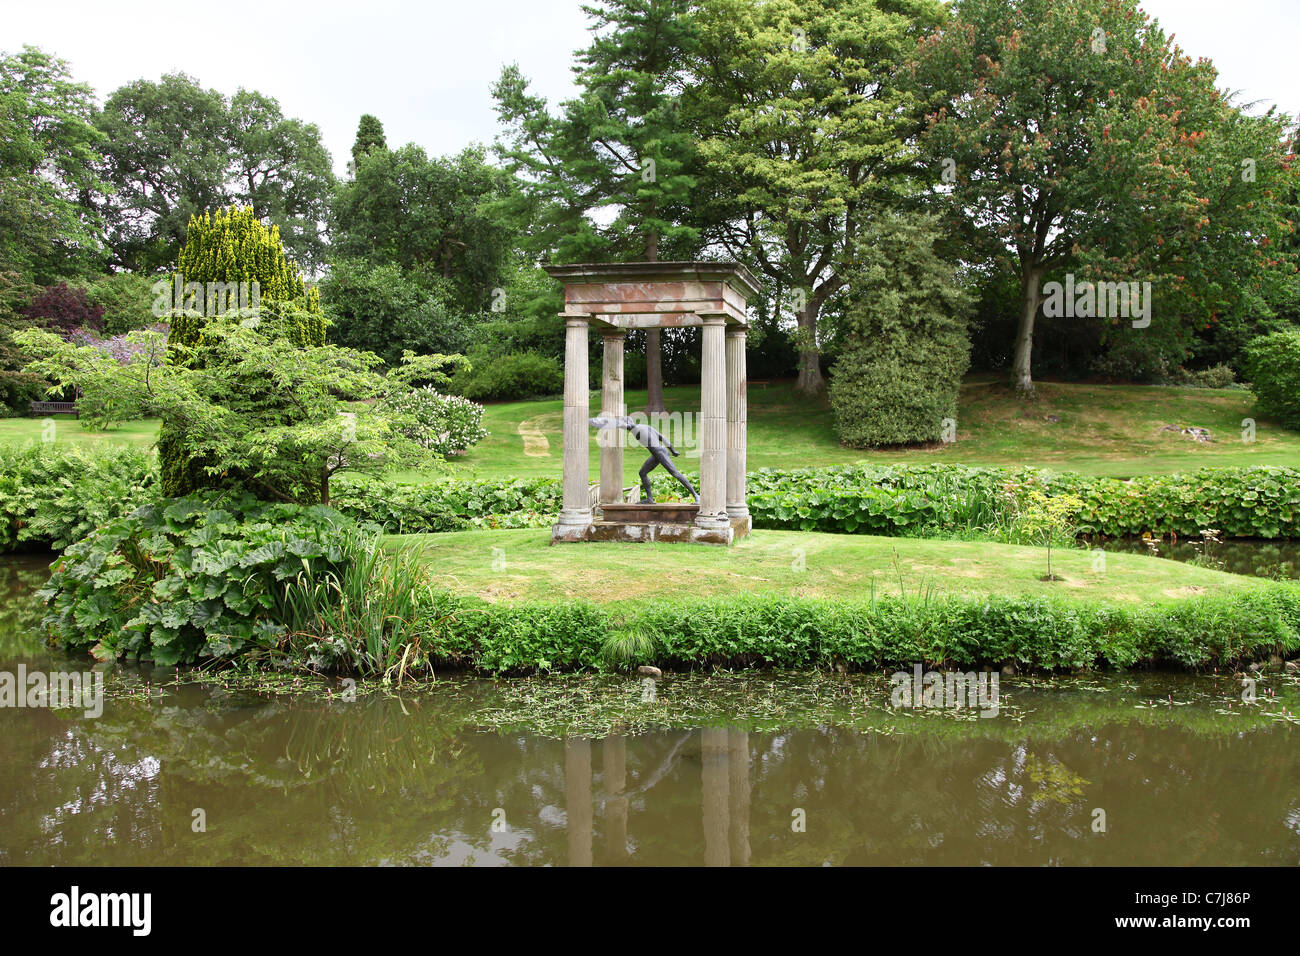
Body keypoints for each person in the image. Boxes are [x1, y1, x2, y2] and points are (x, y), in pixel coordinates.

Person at [588, 415, 699, 503]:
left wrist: (594, 421)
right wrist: (673, 450)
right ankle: (650, 499)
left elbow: (615, 424)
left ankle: (696, 495)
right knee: (642, 473)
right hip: (658, 453)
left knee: (675, 473)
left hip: (659, 453)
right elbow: (662, 437)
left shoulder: (634, 428)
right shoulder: (646, 426)